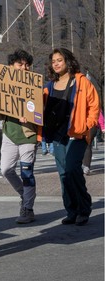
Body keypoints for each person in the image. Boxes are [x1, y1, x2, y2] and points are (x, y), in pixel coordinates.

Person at [43, 48, 99, 226]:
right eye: (54, 61)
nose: (56, 63)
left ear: (67, 61)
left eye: (59, 60)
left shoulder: (81, 82)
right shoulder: (49, 86)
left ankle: (84, 208)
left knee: (72, 169)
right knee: (63, 175)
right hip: (57, 135)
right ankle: (71, 210)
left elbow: (94, 106)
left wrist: (87, 125)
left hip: (77, 133)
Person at [0, 49, 39, 224]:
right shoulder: (2, 84)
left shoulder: (34, 85)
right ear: (11, 66)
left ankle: (28, 209)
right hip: (10, 133)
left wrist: (29, 115)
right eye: (20, 64)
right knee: (5, 170)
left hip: (28, 135)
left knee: (27, 172)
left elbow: (40, 112)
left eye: (26, 64)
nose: (24, 67)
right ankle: (25, 194)